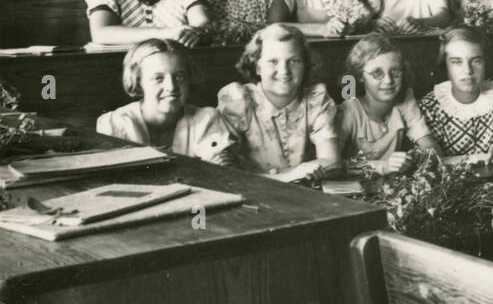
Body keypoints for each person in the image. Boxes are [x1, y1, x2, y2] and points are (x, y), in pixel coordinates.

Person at [217, 24, 340, 184]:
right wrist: (287, 177)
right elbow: (224, 172)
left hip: (305, 195)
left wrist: (307, 172)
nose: (284, 71)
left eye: (294, 61)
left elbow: (332, 161)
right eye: (273, 61)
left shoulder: (315, 99)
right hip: (249, 195)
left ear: (306, 65)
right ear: (257, 67)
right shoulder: (238, 100)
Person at [96, 38, 235, 164]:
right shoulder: (115, 124)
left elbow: (221, 168)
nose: (171, 87)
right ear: (139, 82)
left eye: (179, 77)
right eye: (158, 78)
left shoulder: (206, 119)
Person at [419, 26, 493, 163]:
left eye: (476, 61)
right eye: (457, 62)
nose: (468, 71)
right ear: (445, 66)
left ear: (486, 63)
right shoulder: (430, 107)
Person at [335, 33, 440, 174]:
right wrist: (382, 167)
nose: (388, 81)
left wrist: (425, 154)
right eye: (377, 73)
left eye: (395, 71)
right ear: (360, 76)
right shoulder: (350, 110)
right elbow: (333, 165)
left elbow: (427, 142)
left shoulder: (405, 101)